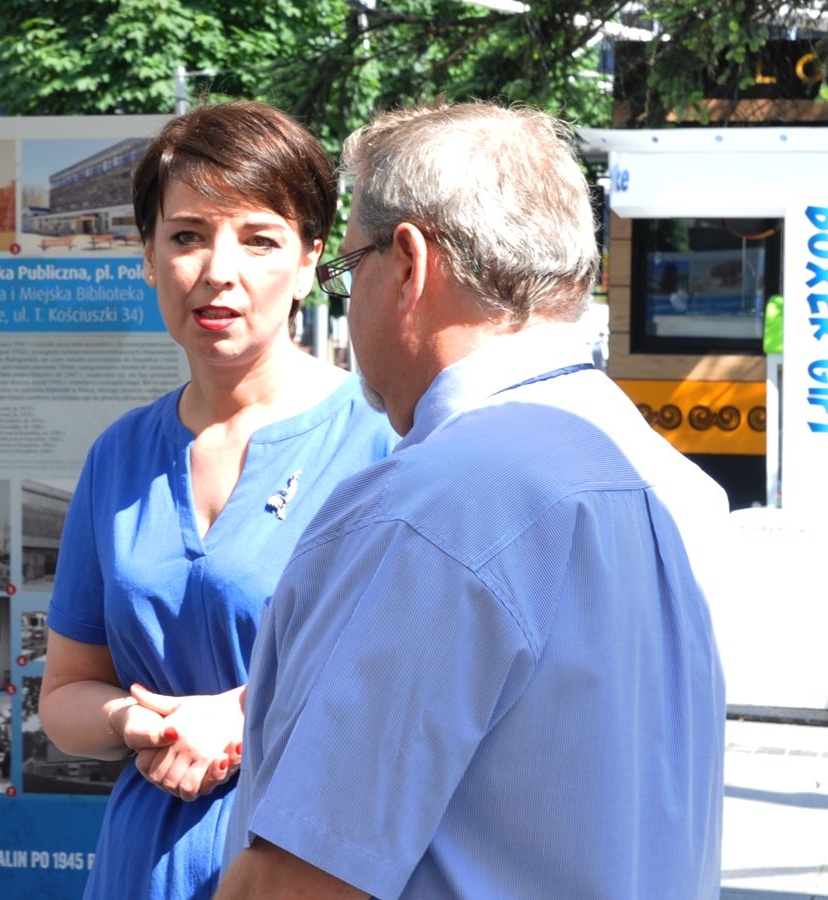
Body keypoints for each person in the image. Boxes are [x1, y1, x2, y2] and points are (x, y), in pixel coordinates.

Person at [219, 102, 728, 899]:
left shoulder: (436, 507)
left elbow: (297, 881)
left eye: (348, 269)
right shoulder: (669, 480)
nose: (347, 300)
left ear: (410, 264)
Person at [39, 99, 397, 899]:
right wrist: (137, 722)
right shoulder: (119, 456)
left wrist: (240, 715)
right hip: (140, 865)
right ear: (148, 256)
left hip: (303, 862)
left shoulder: (381, 444)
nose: (217, 271)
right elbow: (64, 694)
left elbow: (409, 686)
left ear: (310, 262)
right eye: (187, 236)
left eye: (259, 239)